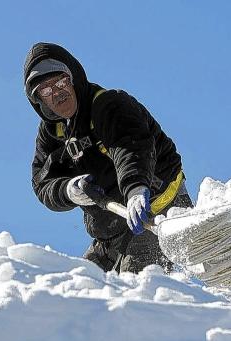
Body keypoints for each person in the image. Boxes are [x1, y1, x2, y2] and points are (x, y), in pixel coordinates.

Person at [24, 42, 193, 273]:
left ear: (73, 79)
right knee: (82, 285)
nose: (56, 92)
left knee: (135, 287)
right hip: (109, 231)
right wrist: (68, 190)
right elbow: (42, 182)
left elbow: (131, 147)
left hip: (157, 214)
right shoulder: (52, 132)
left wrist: (135, 189)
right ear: (38, 100)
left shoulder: (109, 105)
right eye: (45, 90)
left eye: (61, 82)